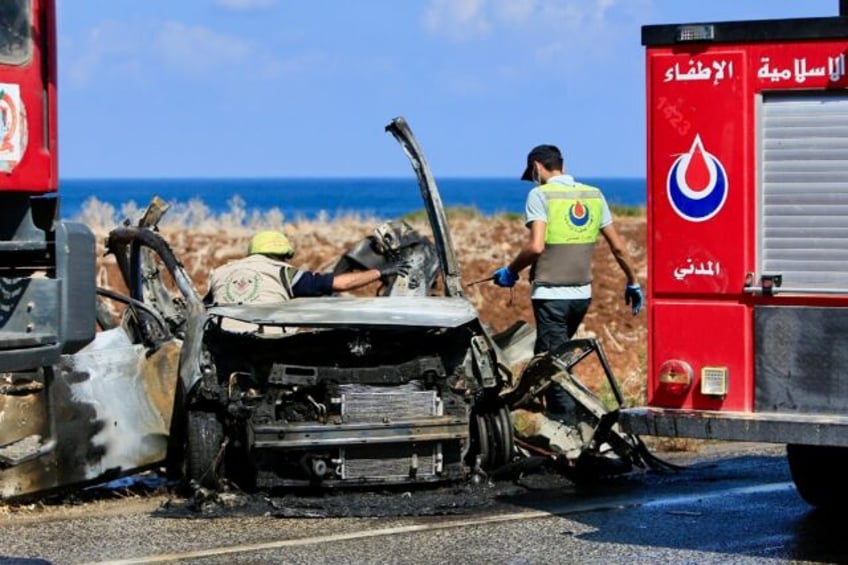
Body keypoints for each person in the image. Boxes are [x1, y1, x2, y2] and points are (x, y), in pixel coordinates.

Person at [491, 144, 643, 420]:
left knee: (555, 366)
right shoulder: (593, 195)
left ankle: (568, 434)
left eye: (533, 173)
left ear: (537, 167)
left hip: (551, 295)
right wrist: (633, 282)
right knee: (545, 354)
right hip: (581, 297)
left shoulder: (540, 195)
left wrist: (510, 272)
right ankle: (534, 416)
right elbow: (619, 247)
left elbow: (536, 247)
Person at [207, 230, 409, 305]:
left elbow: (203, 306)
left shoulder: (220, 272)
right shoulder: (281, 272)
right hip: (261, 343)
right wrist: (382, 271)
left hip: (223, 343)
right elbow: (338, 283)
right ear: (282, 255)